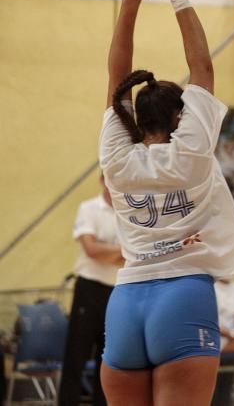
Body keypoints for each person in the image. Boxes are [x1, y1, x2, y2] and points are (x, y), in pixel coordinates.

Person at [98, 0, 234, 406]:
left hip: (125, 301)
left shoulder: (116, 156)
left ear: (135, 119)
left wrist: (130, 2)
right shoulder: (193, 150)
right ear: (182, 117)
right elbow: (202, 67)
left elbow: (117, 75)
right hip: (183, 294)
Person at [59, 174, 124, 406]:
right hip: (89, 288)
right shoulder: (88, 208)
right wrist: (118, 251)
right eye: (110, 179)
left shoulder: (129, 213)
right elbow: (90, 249)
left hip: (116, 293)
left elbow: (132, 256)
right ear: (102, 180)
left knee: (107, 359)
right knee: (76, 355)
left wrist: (107, 250)